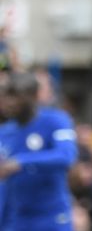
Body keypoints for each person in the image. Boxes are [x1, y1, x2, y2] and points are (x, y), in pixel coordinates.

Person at [0, 72, 78, 231]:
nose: (9, 102)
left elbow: (66, 156)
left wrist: (20, 161)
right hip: (18, 219)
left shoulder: (56, 120)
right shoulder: (5, 133)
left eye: (16, 96)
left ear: (34, 96)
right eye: (7, 96)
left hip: (52, 217)